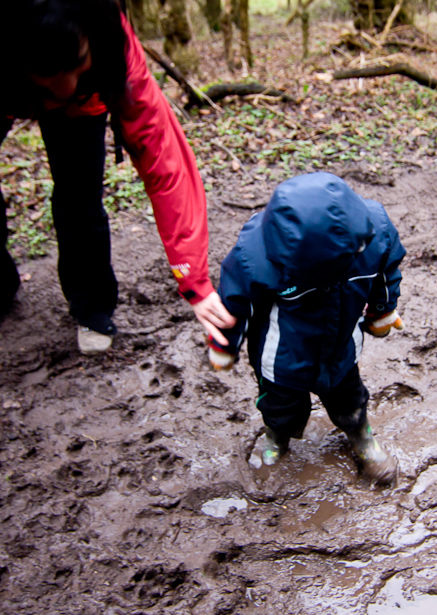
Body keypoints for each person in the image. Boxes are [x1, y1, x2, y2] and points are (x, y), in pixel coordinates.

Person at [0, 0, 235, 353]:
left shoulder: (111, 40)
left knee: (79, 195)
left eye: (76, 63)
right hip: (9, 87)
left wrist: (195, 282)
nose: (65, 87)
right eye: (52, 74)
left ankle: (90, 307)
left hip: (91, 98)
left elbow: (163, 161)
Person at [207, 172, 406, 485]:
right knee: (279, 404)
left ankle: (361, 435)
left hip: (342, 344)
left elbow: (386, 271)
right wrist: (224, 344)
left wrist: (383, 310)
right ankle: (276, 437)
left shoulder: (374, 233)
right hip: (283, 355)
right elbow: (233, 304)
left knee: (350, 397)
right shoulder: (255, 256)